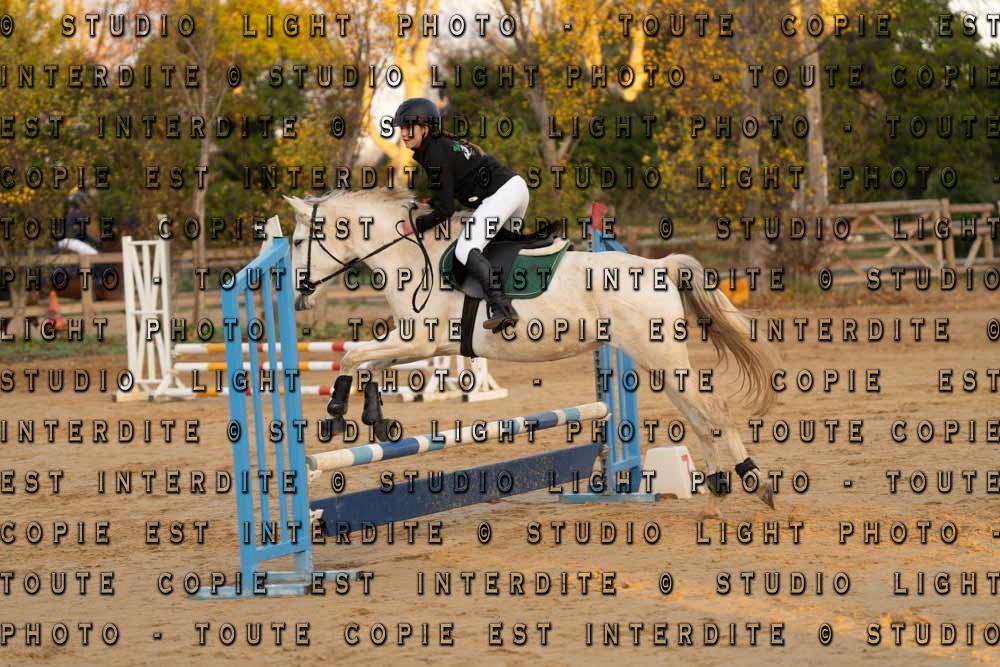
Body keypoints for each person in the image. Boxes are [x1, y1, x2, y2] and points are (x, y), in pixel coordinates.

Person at [394, 97, 528, 332]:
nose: (403, 134)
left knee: (465, 249)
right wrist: (426, 204)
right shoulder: (438, 146)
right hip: (515, 190)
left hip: (502, 195)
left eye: (408, 127)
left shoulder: (434, 153)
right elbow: (444, 195)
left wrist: (416, 226)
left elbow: (445, 210)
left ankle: (502, 308)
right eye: (401, 128)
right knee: (497, 251)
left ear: (425, 128)